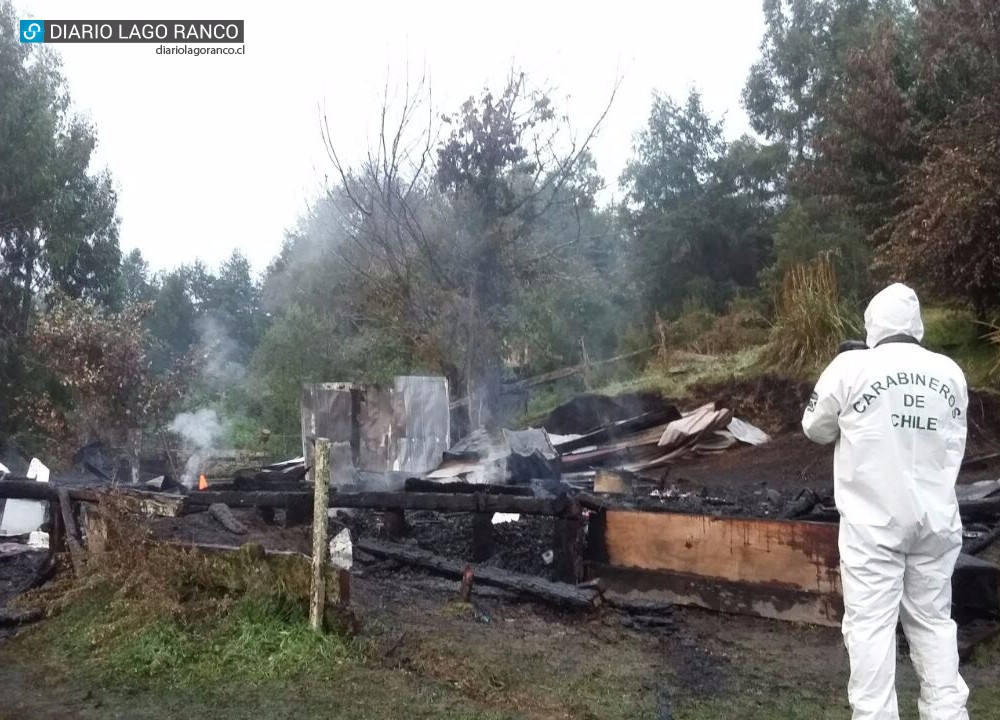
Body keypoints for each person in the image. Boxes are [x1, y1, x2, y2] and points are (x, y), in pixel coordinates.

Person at [802, 283, 970, 720]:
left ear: (871, 324)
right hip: (936, 522)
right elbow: (954, 441)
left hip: (874, 526)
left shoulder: (851, 366)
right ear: (916, 325)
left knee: (871, 630)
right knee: (934, 625)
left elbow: (814, 427)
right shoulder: (951, 373)